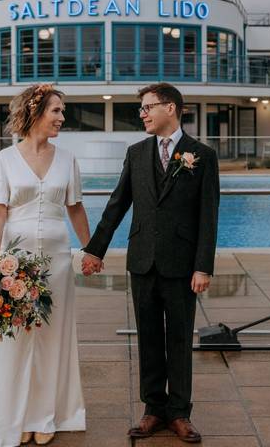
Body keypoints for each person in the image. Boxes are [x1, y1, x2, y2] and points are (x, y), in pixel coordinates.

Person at [82, 82, 219, 444]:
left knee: (178, 338)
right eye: (141, 108)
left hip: (181, 263)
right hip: (142, 261)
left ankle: (180, 413)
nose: (142, 114)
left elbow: (209, 216)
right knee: (148, 339)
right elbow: (117, 203)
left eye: (148, 107)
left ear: (170, 108)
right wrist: (95, 249)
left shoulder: (201, 155)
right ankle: (153, 409)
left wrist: (203, 266)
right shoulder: (136, 152)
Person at [0, 83, 89, 447]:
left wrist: (90, 249)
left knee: (51, 338)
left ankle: (44, 416)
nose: (62, 117)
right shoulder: (4, 160)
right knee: (14, 339)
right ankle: (13, 416)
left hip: (57, 261)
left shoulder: (67, 159)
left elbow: (75, 207)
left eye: (62, 111)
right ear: (35, 112)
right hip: (16, 261)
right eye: (56, 111)